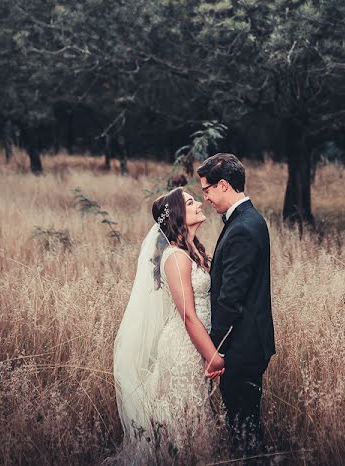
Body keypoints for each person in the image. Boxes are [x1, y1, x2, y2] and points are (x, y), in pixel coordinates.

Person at [112, 187, 225, 463]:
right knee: (185, 420)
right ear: (177, 215)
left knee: (196, 419)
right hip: (183, 349)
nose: (199, 203)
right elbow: (187, 315)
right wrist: (213, 356)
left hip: (195, 345)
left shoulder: (193, 251)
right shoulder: (175, 258)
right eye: (190, 201)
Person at [197, 153, 276, 459]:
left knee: (244, 431)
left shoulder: (243, 228)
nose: (206, 199)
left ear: (224, 185)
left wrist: (213, 349)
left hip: (241, 348)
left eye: (207, 191)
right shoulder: (249, 220)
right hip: (248, 344)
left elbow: (231, 300)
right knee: (246, 426)